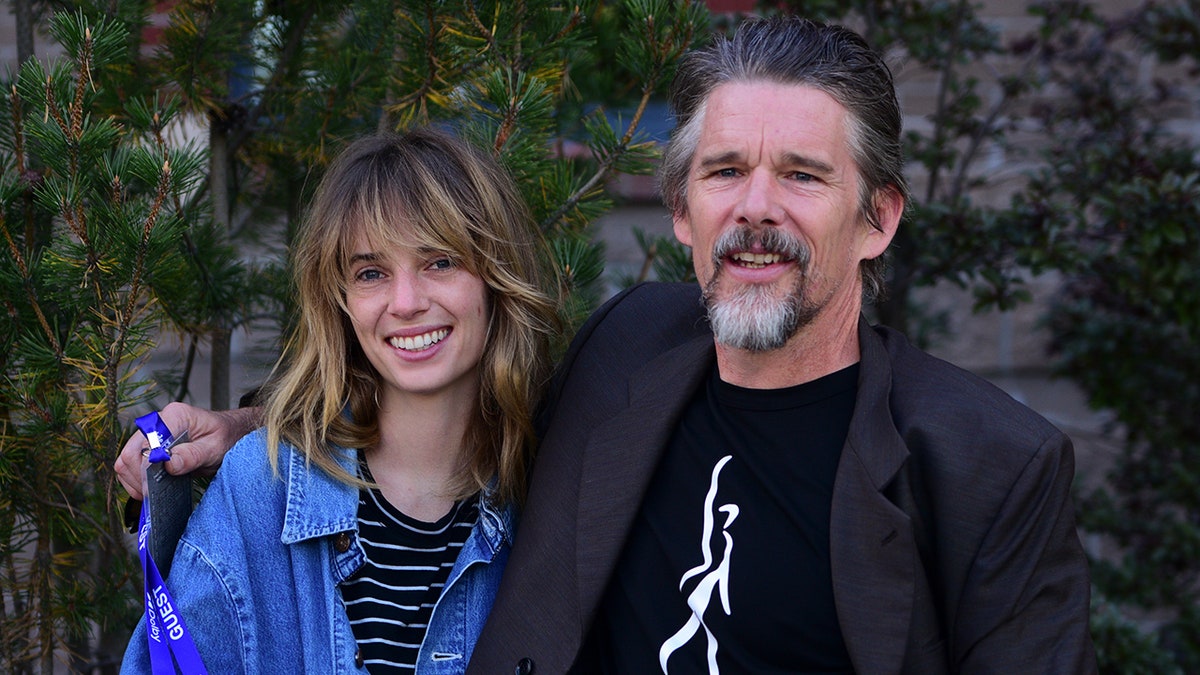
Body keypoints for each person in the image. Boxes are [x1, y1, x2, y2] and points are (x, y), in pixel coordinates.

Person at [117, 16, 1097, 673]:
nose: (756, 209)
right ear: (681, 211)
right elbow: (438, 399)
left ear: (877, 218)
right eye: (724, 171)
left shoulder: (989, 468)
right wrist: (245, 426)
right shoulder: (630, 352)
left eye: (802, 175)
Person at [118, 128, 557, 674]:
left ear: (495, 275)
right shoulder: (261, 488)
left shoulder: (557, 491)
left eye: (440, 261)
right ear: (341, 300)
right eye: (371, 273)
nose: (406, 302)